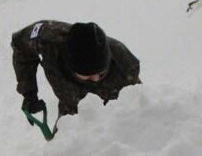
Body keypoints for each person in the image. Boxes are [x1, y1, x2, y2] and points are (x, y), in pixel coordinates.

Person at [12, 20, 141, 119]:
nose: (95, 79)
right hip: (70, 117)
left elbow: (139, 113)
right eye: (87, 75)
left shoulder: (126, 67)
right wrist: (29, 93)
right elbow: (20, 45)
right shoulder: (49, 39)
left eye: (101, 73)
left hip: (109, 122)